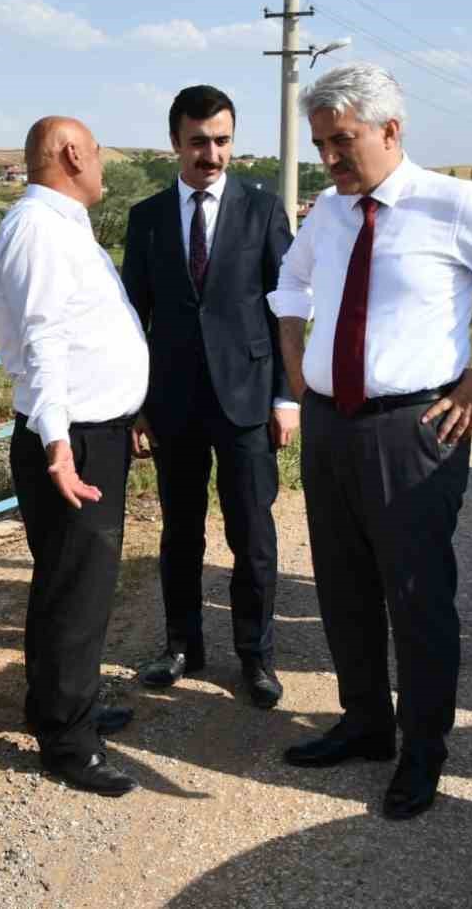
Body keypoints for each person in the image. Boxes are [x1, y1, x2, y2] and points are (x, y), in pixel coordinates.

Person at [269, 62, 472, 819]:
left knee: (416, 597)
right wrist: (296, 372)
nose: (331, 159)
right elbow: (290, 284)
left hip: (416, 432)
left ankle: (423, 749)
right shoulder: (331, 212)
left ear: (390, 130)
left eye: (342, 142)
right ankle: (365, 723)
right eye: (320, 145)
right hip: (333, 428)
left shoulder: (453, 204)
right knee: (343, 589)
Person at [0, 115, 150, 797]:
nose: (105, 164)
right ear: (72, 153)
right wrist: (58, 446)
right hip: (71, 440)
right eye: (100, 152)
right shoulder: (38, 229)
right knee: (72, 590)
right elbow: (43, 343)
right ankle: (66, 742)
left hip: (94, 432)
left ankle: (67, 706)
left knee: (80, 584)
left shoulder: (62, 223)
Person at [121, 85, 294, 710]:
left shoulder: (263, 209)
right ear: (175, 142)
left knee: (253, 536)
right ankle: (181, 647)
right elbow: (130, 318)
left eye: (222, 141)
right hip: (172, 403)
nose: (212, 154)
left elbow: (287, 312)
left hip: (248, 401)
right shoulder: (146, 218)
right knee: (179, 532)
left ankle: (257, 658)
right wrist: (136, 405)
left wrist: (286, 398)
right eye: (199, 142)